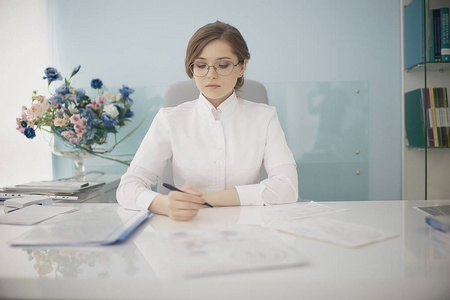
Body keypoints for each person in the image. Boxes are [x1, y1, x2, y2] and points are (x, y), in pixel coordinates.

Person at [116, 21, 298, 221]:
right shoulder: (170, 119)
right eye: (201, 65)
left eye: (223, 65)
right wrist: (163, 204)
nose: (211, 74)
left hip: (246, 232)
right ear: (192, 68)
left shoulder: (265, 117)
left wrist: (206, 197)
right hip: (187, 232)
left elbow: (287, 187)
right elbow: (127, 187)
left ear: (242, 67)